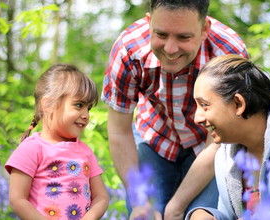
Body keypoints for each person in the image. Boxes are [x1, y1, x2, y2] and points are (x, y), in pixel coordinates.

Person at [101, 0, 249, 219]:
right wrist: (140, 202)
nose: (170, 49)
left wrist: (177, 206)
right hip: (153, 137)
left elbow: (217, 143)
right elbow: (118, 131)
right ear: (149, 22)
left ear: (204, 30)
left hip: (210, 144)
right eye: (160, 34)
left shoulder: (229, 55)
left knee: (201, 215)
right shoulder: (127, 51)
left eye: (183, 37)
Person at [187, 54, 270, 220]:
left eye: (204, 105)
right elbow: (233, 216)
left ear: (238, 104)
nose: (197, 118)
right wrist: (206, 215)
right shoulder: (225, 156)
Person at [5, 64, 109, 220]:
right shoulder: (32, 148)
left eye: (89, 108)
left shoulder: (86, 152)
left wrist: (90, 217)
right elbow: (17, 200)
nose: (86, 115)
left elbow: (101, 196)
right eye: (79, 105)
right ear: (48, 104)